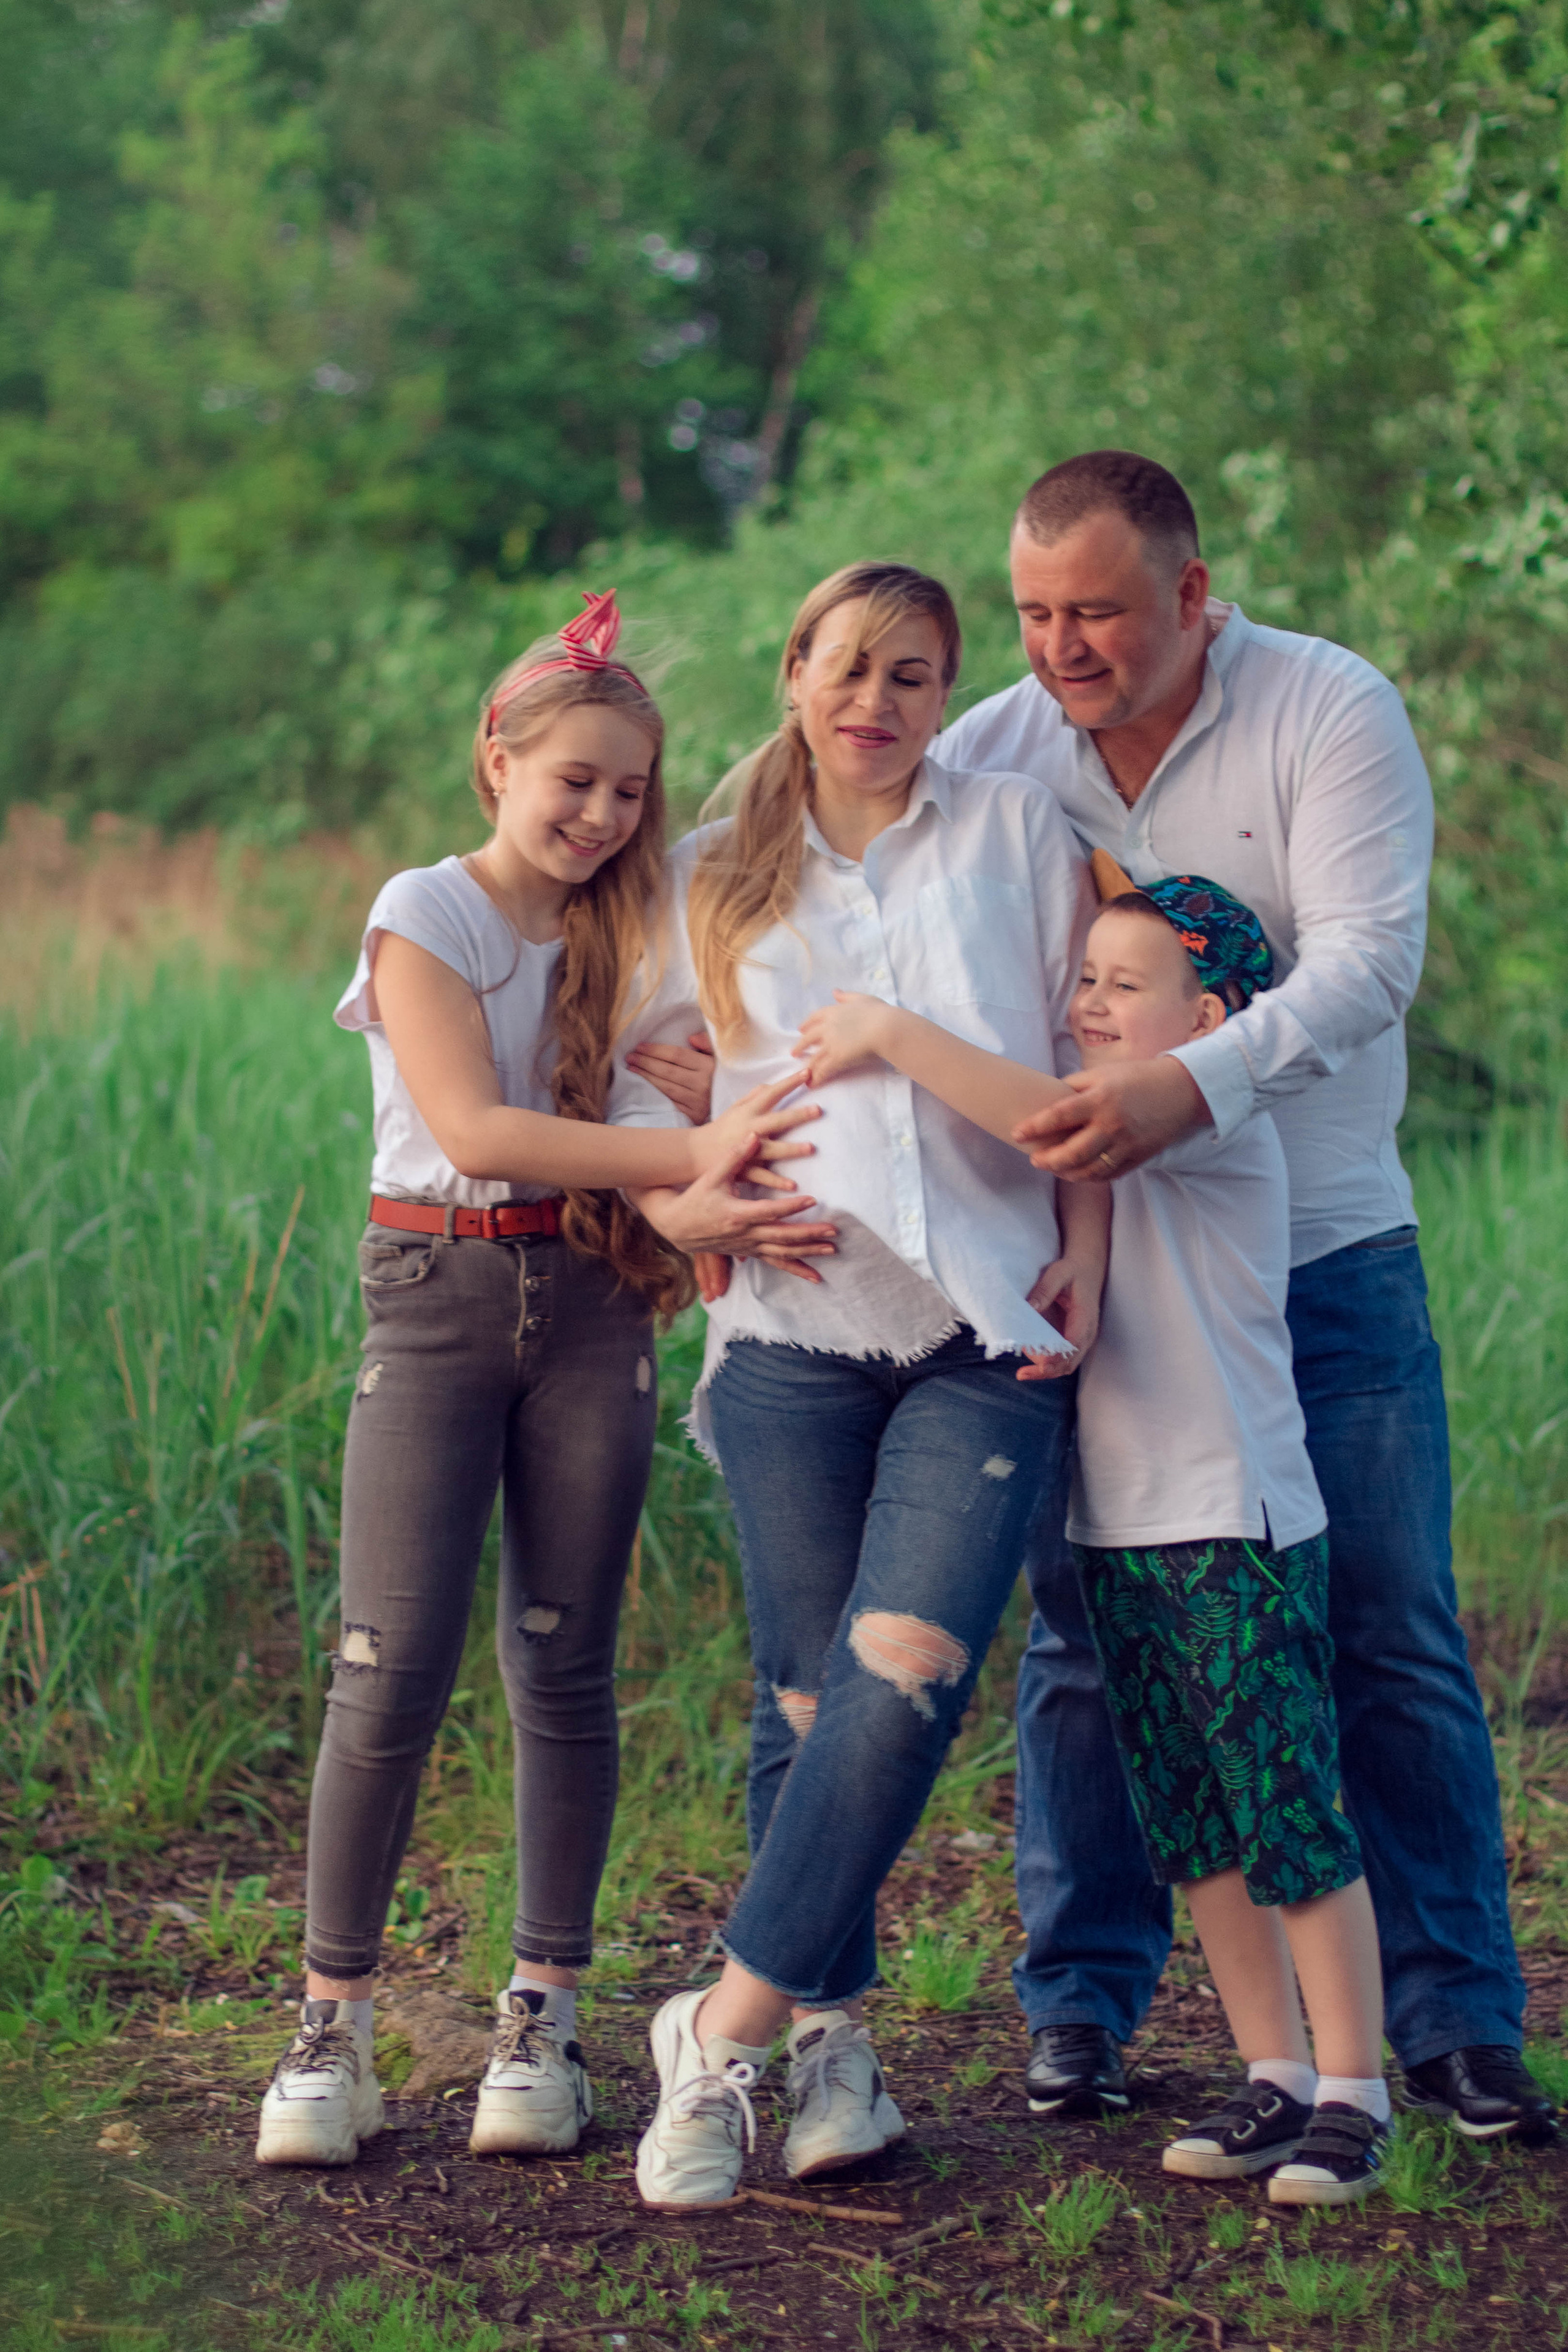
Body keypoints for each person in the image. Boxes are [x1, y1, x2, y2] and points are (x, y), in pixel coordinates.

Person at [935, 451, 1554, 2141]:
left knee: (1387, 1625)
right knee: (1092, 1636)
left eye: (1097, 612)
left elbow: (1369, 962)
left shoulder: (1327, 708)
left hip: (1328, 1251)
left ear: (1193, 594)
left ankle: (1455, 2024)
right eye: (1034, 613)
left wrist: (1188, 1089)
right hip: (1101, 1272)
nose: (1060, 648)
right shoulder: (988, 750)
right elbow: (857, 905)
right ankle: (1084, 2006)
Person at [255, 593, 832, 2169]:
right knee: (387, 1665)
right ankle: (331, 2026)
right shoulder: (424, 910)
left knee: (563, 1665)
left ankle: (543, 2019)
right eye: (572, 779)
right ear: (495, 759)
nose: (599, 814)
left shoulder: (631, 929)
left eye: (629, 790)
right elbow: (475, 1129)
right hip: (434, 1296)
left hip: (589, 1297)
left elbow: (685, 1075)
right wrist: (692, 1150)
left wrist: (708, 1105)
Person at [617, 562, 1106, 2208]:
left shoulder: (1013, 831)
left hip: (984, 1327)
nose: (876, 703)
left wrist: (1088, 1248)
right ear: (793, 674)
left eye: (912, 676)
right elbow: (638, 1098)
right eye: (848, 669)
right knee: (809, 1701)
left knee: (904, 1676)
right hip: (788, 1336)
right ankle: (830, 2045)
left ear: (946, 695)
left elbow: (1087, 1056)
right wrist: (686, 1210)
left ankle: (717, 2030)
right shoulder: (708, 872)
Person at [796, 865, 1395, 2204]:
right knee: (1195, 1825)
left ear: (1210, 1020)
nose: (1091, 1004)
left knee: (1285, 1813)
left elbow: (1052, 1122)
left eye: (1128, 985)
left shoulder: (1208, 1115)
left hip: (1230, 1520)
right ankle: (1274, 2075)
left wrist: (886, 1027)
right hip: (1119, 1531)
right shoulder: (1110, 1157)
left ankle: (1355, 2094)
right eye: (1084, 979)